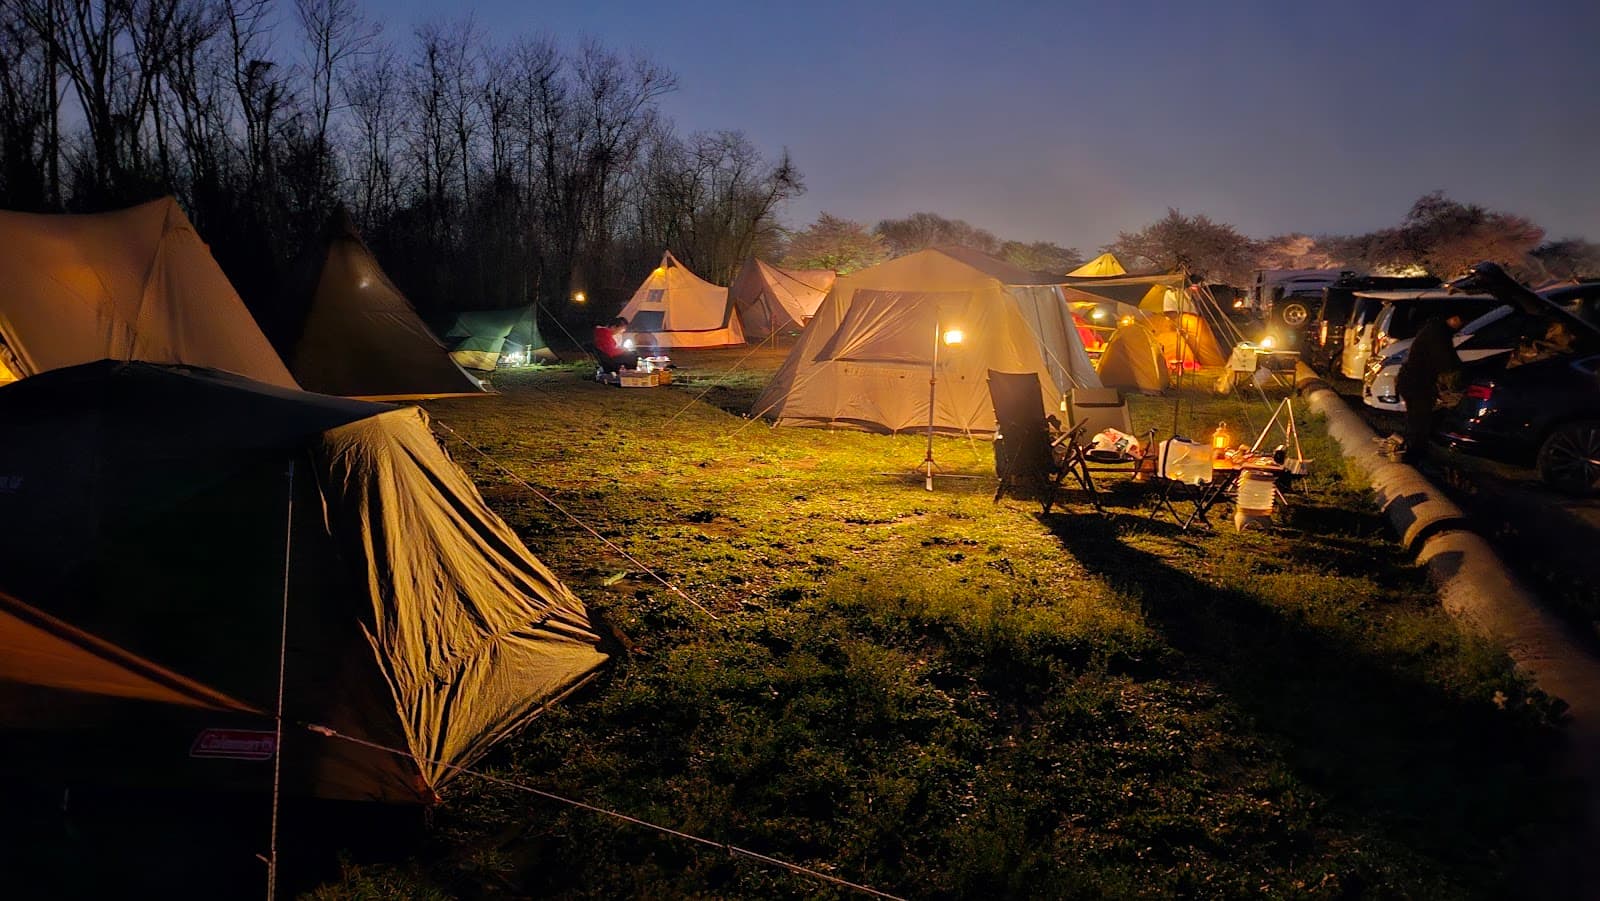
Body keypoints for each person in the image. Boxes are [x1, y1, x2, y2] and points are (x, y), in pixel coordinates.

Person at [1394, 312, 1464, 464]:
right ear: (1454, 318)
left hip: (1412, 381)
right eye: (1460, 322)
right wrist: (1460, 370)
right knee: (1420, 420)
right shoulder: (1438, 334)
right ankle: (1414, 454)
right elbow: (1446, 360)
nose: (1460, 327)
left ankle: (1412, 451)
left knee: (1416, 418)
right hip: (1417, 383)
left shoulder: (1434, 329)